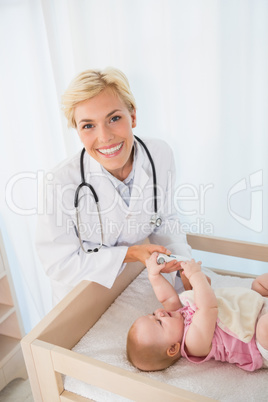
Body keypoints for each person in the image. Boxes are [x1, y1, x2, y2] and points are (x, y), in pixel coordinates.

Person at [36, 67, 192, 304]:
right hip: (80, 298)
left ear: (133, 116)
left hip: (132, 282)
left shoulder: (159, 154)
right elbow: (59, 264)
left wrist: (185, 270)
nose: (105, 137)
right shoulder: (59, 182)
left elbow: (165, 220)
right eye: (88, 125)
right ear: (77, 131)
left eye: (114, 118)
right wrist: (129, 254)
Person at [127, 254, 268, 372]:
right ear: (173, 348)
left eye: (153, 314)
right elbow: (207, 308)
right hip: (257, 341)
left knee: (260, 283)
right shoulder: (193, 343)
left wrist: (153, 275)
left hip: (253, 311)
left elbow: (167, 298)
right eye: (158, 322)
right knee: (264, 327)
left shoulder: (178, 317)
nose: (160, 312)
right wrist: (195, 275)